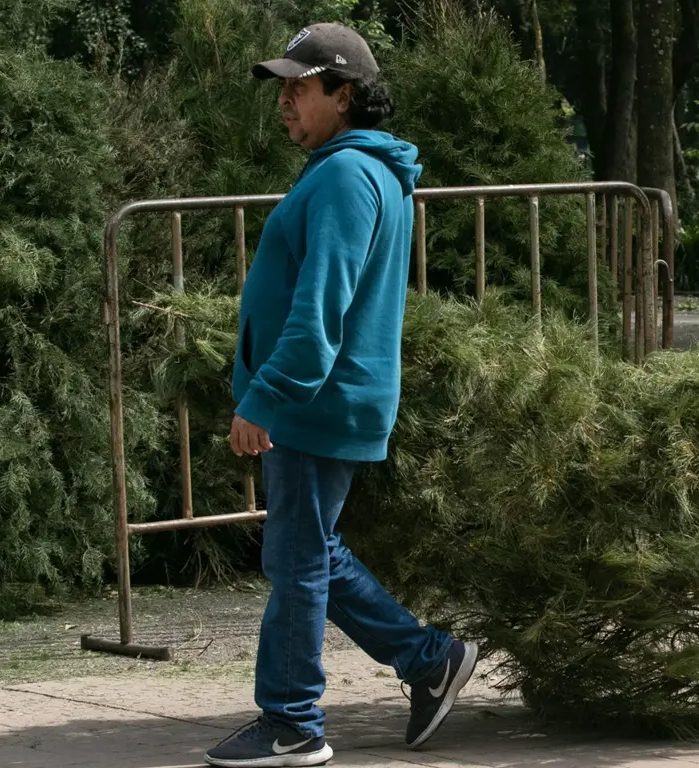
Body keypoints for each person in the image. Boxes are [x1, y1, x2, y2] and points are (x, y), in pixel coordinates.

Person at [206, 23, 478, 768]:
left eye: (300, 86)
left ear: (344, 94)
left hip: (314, 401)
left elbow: (319, 307)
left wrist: (266, 396)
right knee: (311, 551)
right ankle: (431, 660)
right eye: (283, 86)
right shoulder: (351, 170)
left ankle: (292, 723)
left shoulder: (345, 177)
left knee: (295, 563)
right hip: (325, 397)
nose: (285, 101)